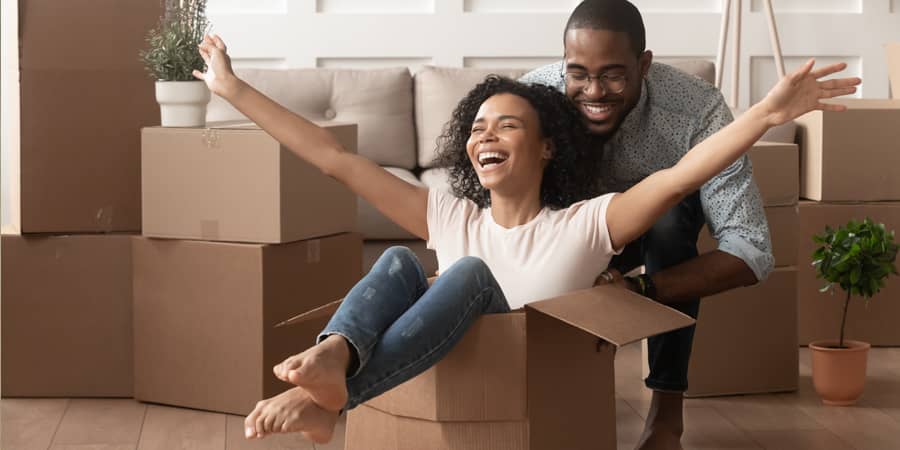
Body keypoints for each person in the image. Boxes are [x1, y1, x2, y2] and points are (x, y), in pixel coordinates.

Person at [192, 33, 859, 444]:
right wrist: (232, 89)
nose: (485, 135)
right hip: (447, 362)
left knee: (466, 276)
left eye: (506, 125)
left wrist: (768, 111)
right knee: (400, 260)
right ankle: (336, 360)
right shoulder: (452, 216)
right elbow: (333, 158)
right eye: (478, 127)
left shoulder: (586, 225)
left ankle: (331, 400)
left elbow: (684, 175)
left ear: (545, 149)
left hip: (524, 379)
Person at [519, 1, 784, 447]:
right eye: (578, 73)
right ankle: (555, 401)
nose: (594, 92)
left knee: (667, 222)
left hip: (655, 241)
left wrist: (641, 290)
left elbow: (751, 250)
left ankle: (666, 417)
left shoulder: (698, 110)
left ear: (644, 64)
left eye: (613, 74)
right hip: (566, 229)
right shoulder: (534, 99)